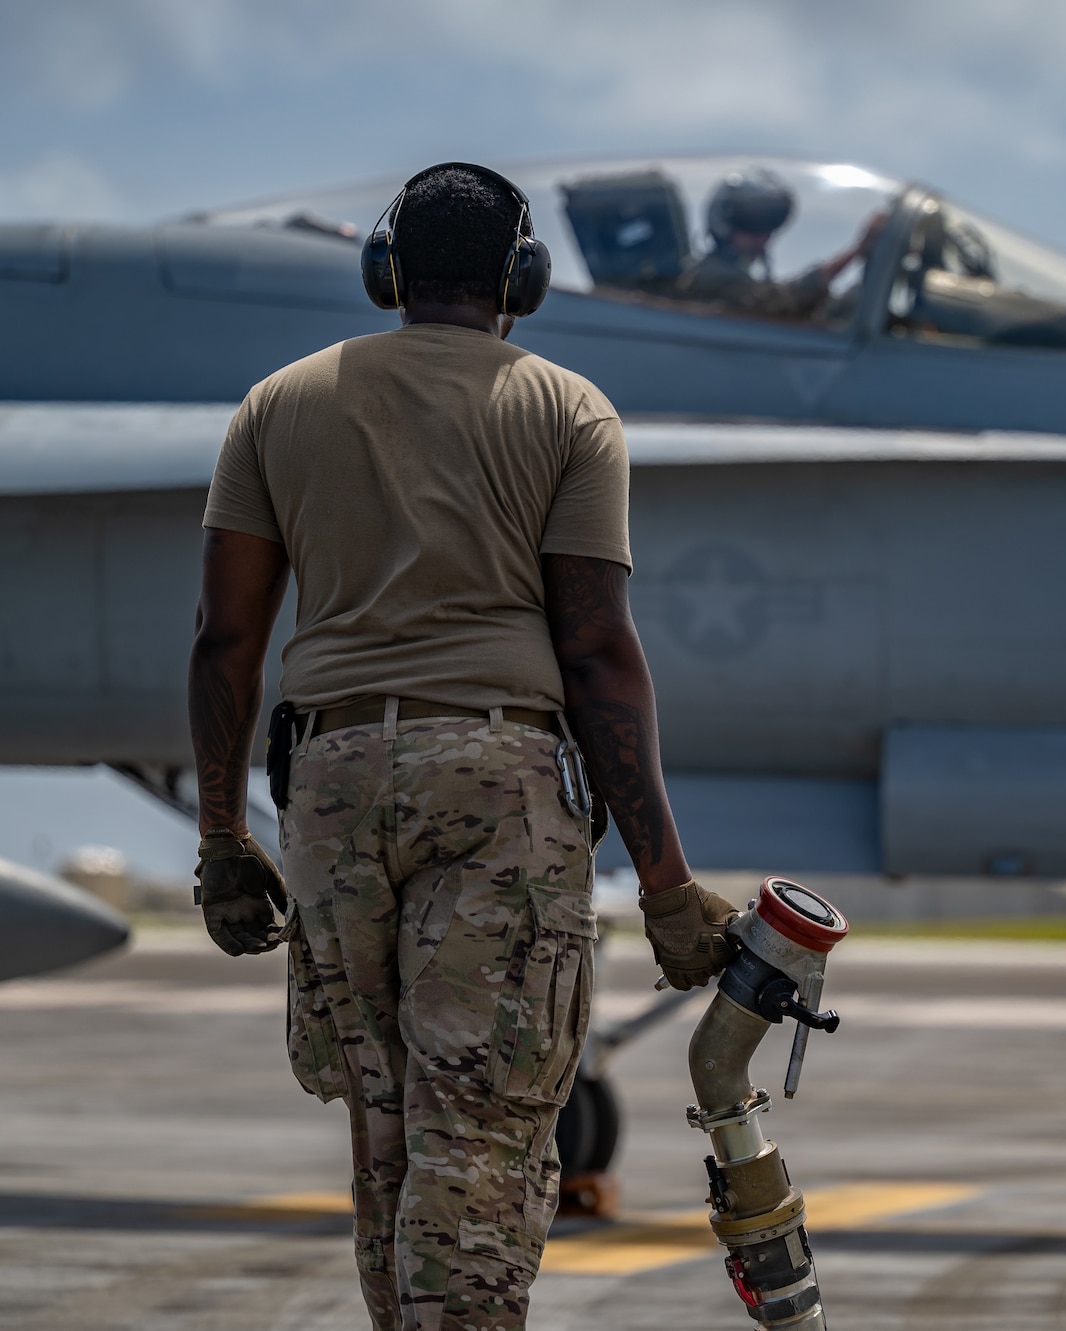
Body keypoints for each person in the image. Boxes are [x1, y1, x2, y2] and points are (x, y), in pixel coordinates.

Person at [185, 161, 740, 1331]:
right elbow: (595, 650)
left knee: (385, 1133)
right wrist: (669, 889)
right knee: (481, 1130)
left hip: (328, 783)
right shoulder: (566, 407)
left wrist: (224, 839)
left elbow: (225, 639)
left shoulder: (276, 403)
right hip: (498, 780)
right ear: (519, 280)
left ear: (385, 271)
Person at [673, 166, 880, 320]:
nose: (763, 237)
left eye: (770, 225)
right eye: (753, 223)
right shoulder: (707, 277)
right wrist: (856, 251)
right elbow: (780, 303)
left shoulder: (741, 281)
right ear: (724, 223)